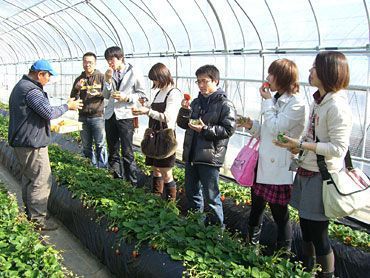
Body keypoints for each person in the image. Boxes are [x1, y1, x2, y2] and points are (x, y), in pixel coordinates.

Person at [274, 51, 352, 278]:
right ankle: (306, 269)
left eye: (314, 68)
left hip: (321, 176)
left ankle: (325, 274)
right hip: (306, 171)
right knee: (306, 227)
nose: (309, 72)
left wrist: (303, 145)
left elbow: (338, 148)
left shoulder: (336, 106)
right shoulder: (320, 100)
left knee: (319, 233)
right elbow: (314, 138)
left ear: (328, 71)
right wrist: (297, 147)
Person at [237, 59, 306, 253]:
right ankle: (250, 248)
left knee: (280, 214)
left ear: (282, 78)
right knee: (256, 207)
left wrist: (267, 101)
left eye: (271, 75)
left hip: (279, 167)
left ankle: (282, 256)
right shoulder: (275, 99)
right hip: (264, 162)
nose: (267, 78)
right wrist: (251, 125)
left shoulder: (296, 104)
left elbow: (276, 129)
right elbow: (266, 131)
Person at [8, 59, 83, 230]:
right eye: (48, 76)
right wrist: (67, 106)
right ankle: (37, 220)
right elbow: (48, 112)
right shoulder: (32, 91)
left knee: (30, 178)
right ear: (40, 74)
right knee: (41, 180)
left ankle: (31, 212)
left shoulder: (22, 86)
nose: (48, 80)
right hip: (31, 143)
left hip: (23, 140)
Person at [177, 65, 236, 227]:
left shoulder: (224, 104)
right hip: (192, 155)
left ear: (215, 81)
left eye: (205, 81)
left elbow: (229, 129)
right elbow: (182, 124)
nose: (201, 85)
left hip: (210, 157)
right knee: (192, 192)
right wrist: (184, 110)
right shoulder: (195, 103)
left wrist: (205, 129)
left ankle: (216, 231)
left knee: (211, 196)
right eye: (198, 82)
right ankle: (195, 225)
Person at [132, 63, 182, 200]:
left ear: (162, 77)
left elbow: (167, 117)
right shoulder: (160, 92)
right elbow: (155, 110)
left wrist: (147, 111)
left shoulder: (174, 93)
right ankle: (156, 196)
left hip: (165, 138)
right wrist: (146, 106)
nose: (154, 83)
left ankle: (170, 203)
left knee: (166, 172)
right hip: (154, 136)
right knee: (155, 168)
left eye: (155, 79)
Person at [102, 46, 146, 186]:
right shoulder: (109, 73)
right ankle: (115, 181)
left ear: (120, 58)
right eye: (108, 60)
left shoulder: (134, 72)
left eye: (112, 60)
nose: (110, 63)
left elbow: (142, 95)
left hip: (126, 116)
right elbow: (106, 95)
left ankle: (131, 183)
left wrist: (126, 97)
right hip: (110, 115)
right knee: (112, 149)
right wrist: (107, 81)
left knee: (127, 151)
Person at [70, 52, 107, 168]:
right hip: (83, 117)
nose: (87, 65)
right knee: (86, 145)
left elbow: (108, 94)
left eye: (90, 62)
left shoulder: (101, 77)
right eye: (85, 62)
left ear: (95, 63)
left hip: (97, 116)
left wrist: (99, 93)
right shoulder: (79, 79)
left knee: (100, 144)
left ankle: (102, 170)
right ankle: (90, 168)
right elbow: (72, 97)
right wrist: (77, 88)